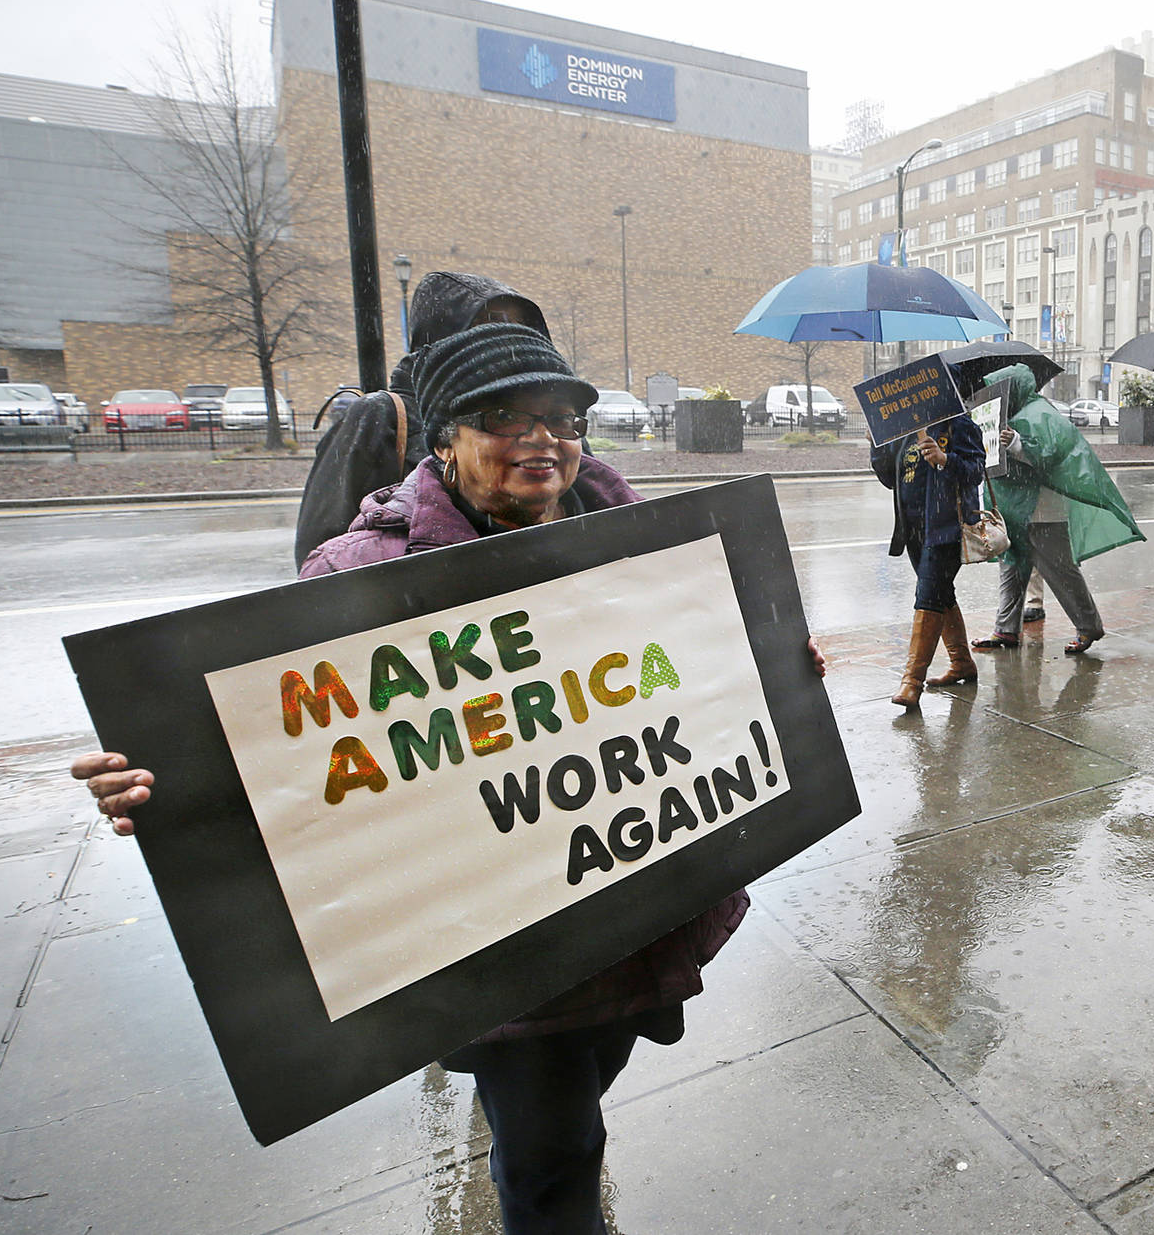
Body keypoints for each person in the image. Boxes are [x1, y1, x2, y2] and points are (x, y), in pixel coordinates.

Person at [76, 322, 827, 1235]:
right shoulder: (360, 573)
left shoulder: (645, 538)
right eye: (504, 417)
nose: (541, 438)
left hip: (634, 909)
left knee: (586, 1090)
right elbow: (278, 755)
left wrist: (778, 665)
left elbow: (712, 669)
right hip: (502, 960)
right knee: (554, 1169)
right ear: (443, 439)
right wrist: (159, 783)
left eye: (558, 416)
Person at [293, 271, 549, 569]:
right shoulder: (382, 415)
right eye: (487, 327)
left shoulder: (554, 423)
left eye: (520, 329)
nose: (506, 343)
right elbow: (324, 554)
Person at [968, 363, 1143, 655]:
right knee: (1012, 569)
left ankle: (1089, 627)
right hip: (1017, 510)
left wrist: (1017, 445)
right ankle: (1005, 629)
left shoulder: (1040, 414)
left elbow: (1047, 456)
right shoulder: (1014, 415)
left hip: (1043, 512)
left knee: (1061, 572)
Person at [870, 411, 987, 708]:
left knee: (927, 597)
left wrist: (944, 458)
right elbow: (890, 477)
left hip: (946, 529)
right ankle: (961, 663)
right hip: (914, 530)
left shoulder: (959, 423)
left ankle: (911, 682)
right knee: (940, 595)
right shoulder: (906, 426)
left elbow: (975, 470)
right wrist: (876, 446)